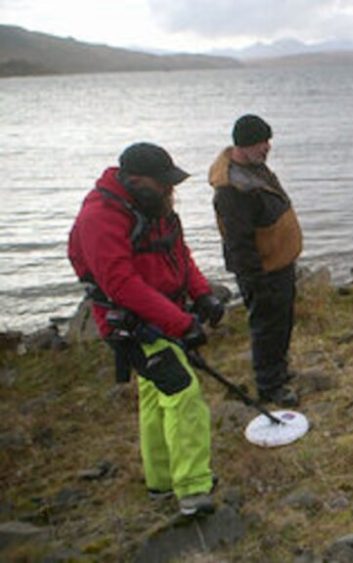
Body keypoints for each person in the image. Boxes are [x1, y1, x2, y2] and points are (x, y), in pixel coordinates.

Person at [68, 142, 223, 516]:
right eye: (163, 184)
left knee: (156, 398)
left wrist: (202, 296)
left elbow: (179, 254)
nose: (171, 191)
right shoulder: (100, 218)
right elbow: (120, 284)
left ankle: (161, 481)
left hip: (165, 314)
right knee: (183, 392)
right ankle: (192, 489)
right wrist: (181, 323)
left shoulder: (154, 207)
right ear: (136, 180)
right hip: (134, 326)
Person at [209, 114, 303, 407]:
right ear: (244, 145)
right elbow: (238, 241)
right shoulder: (232, 188)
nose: (267, 148)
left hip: (279, 263)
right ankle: (269, 386)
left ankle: (279, 370)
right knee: (267, 327)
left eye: (268, 141)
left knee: (282, 322)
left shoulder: (253, 167)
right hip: (262, 271)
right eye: (261, 143)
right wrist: (255, 280)